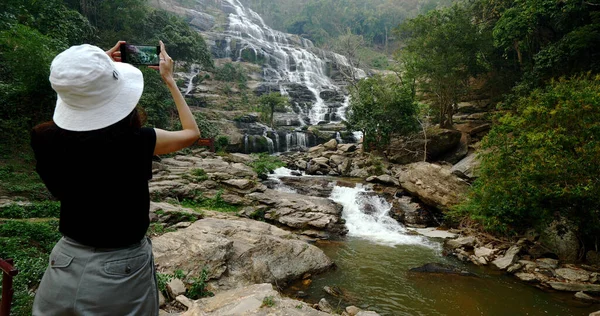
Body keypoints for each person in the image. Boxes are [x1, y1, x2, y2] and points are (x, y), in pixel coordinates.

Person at [30, 40, 200, 315]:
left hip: (64, 262)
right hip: (124, 268)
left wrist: (84, 78)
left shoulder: (43, 138)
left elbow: (71, 115)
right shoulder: (137, 141)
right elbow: (191, 133)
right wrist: (169, 79)